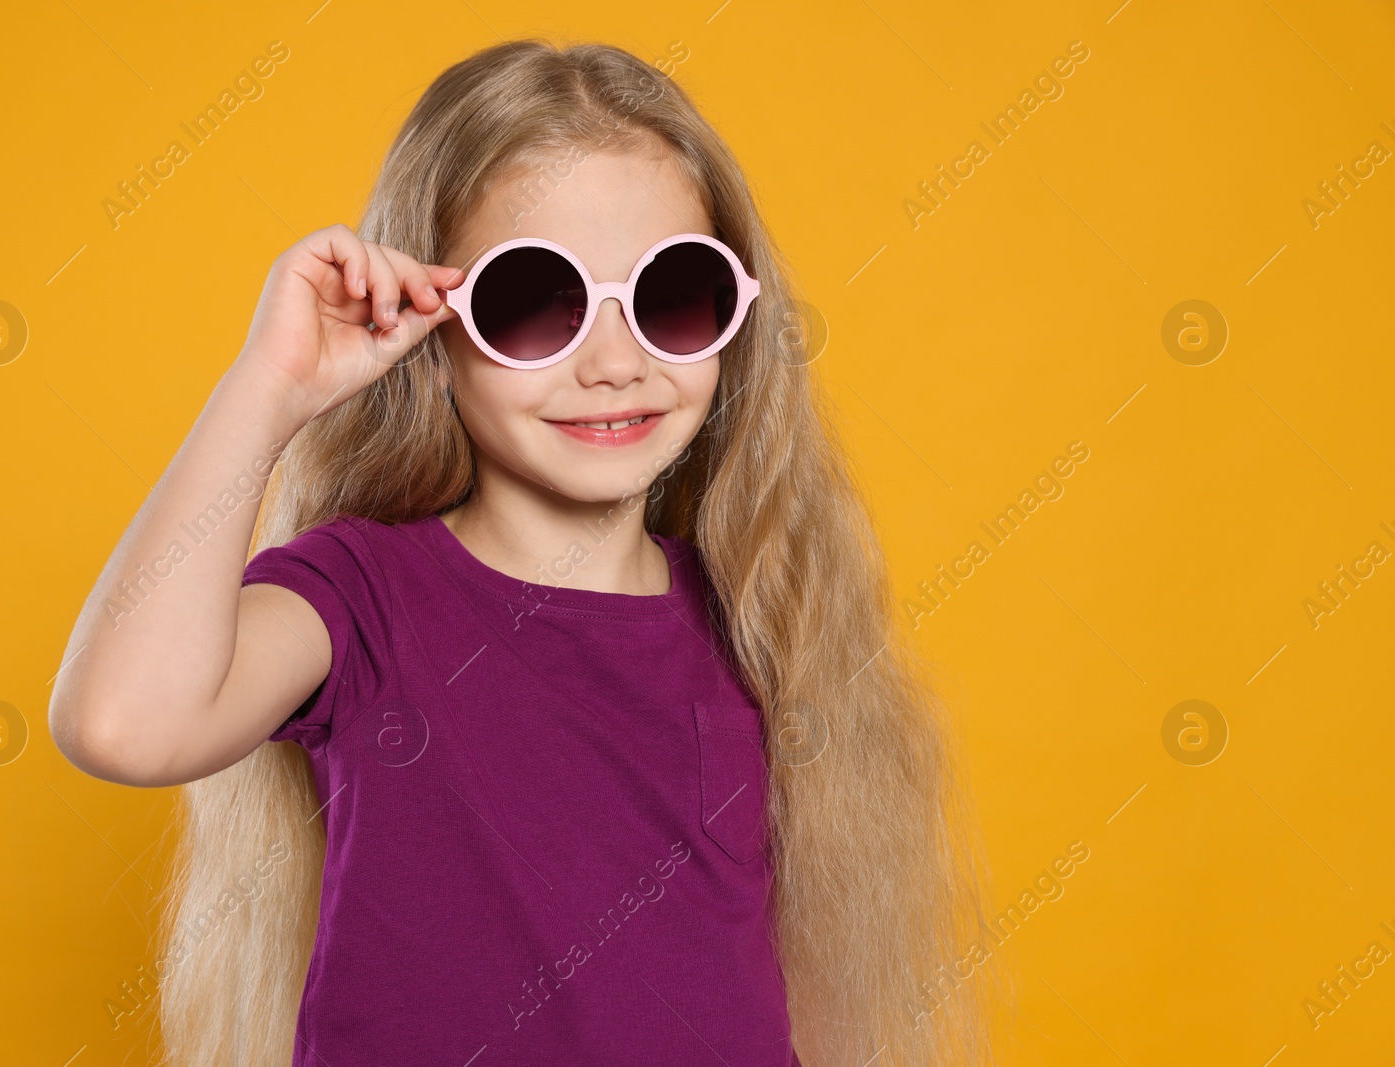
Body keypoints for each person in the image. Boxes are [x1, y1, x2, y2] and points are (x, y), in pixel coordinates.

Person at [50, 38, 1000, 1067]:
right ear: (432, 321)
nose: (612, 363)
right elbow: (124, 725)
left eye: (671, 294)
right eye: (535, 304)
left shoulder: (762, 614)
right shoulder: (363, 598)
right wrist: (268, 387)